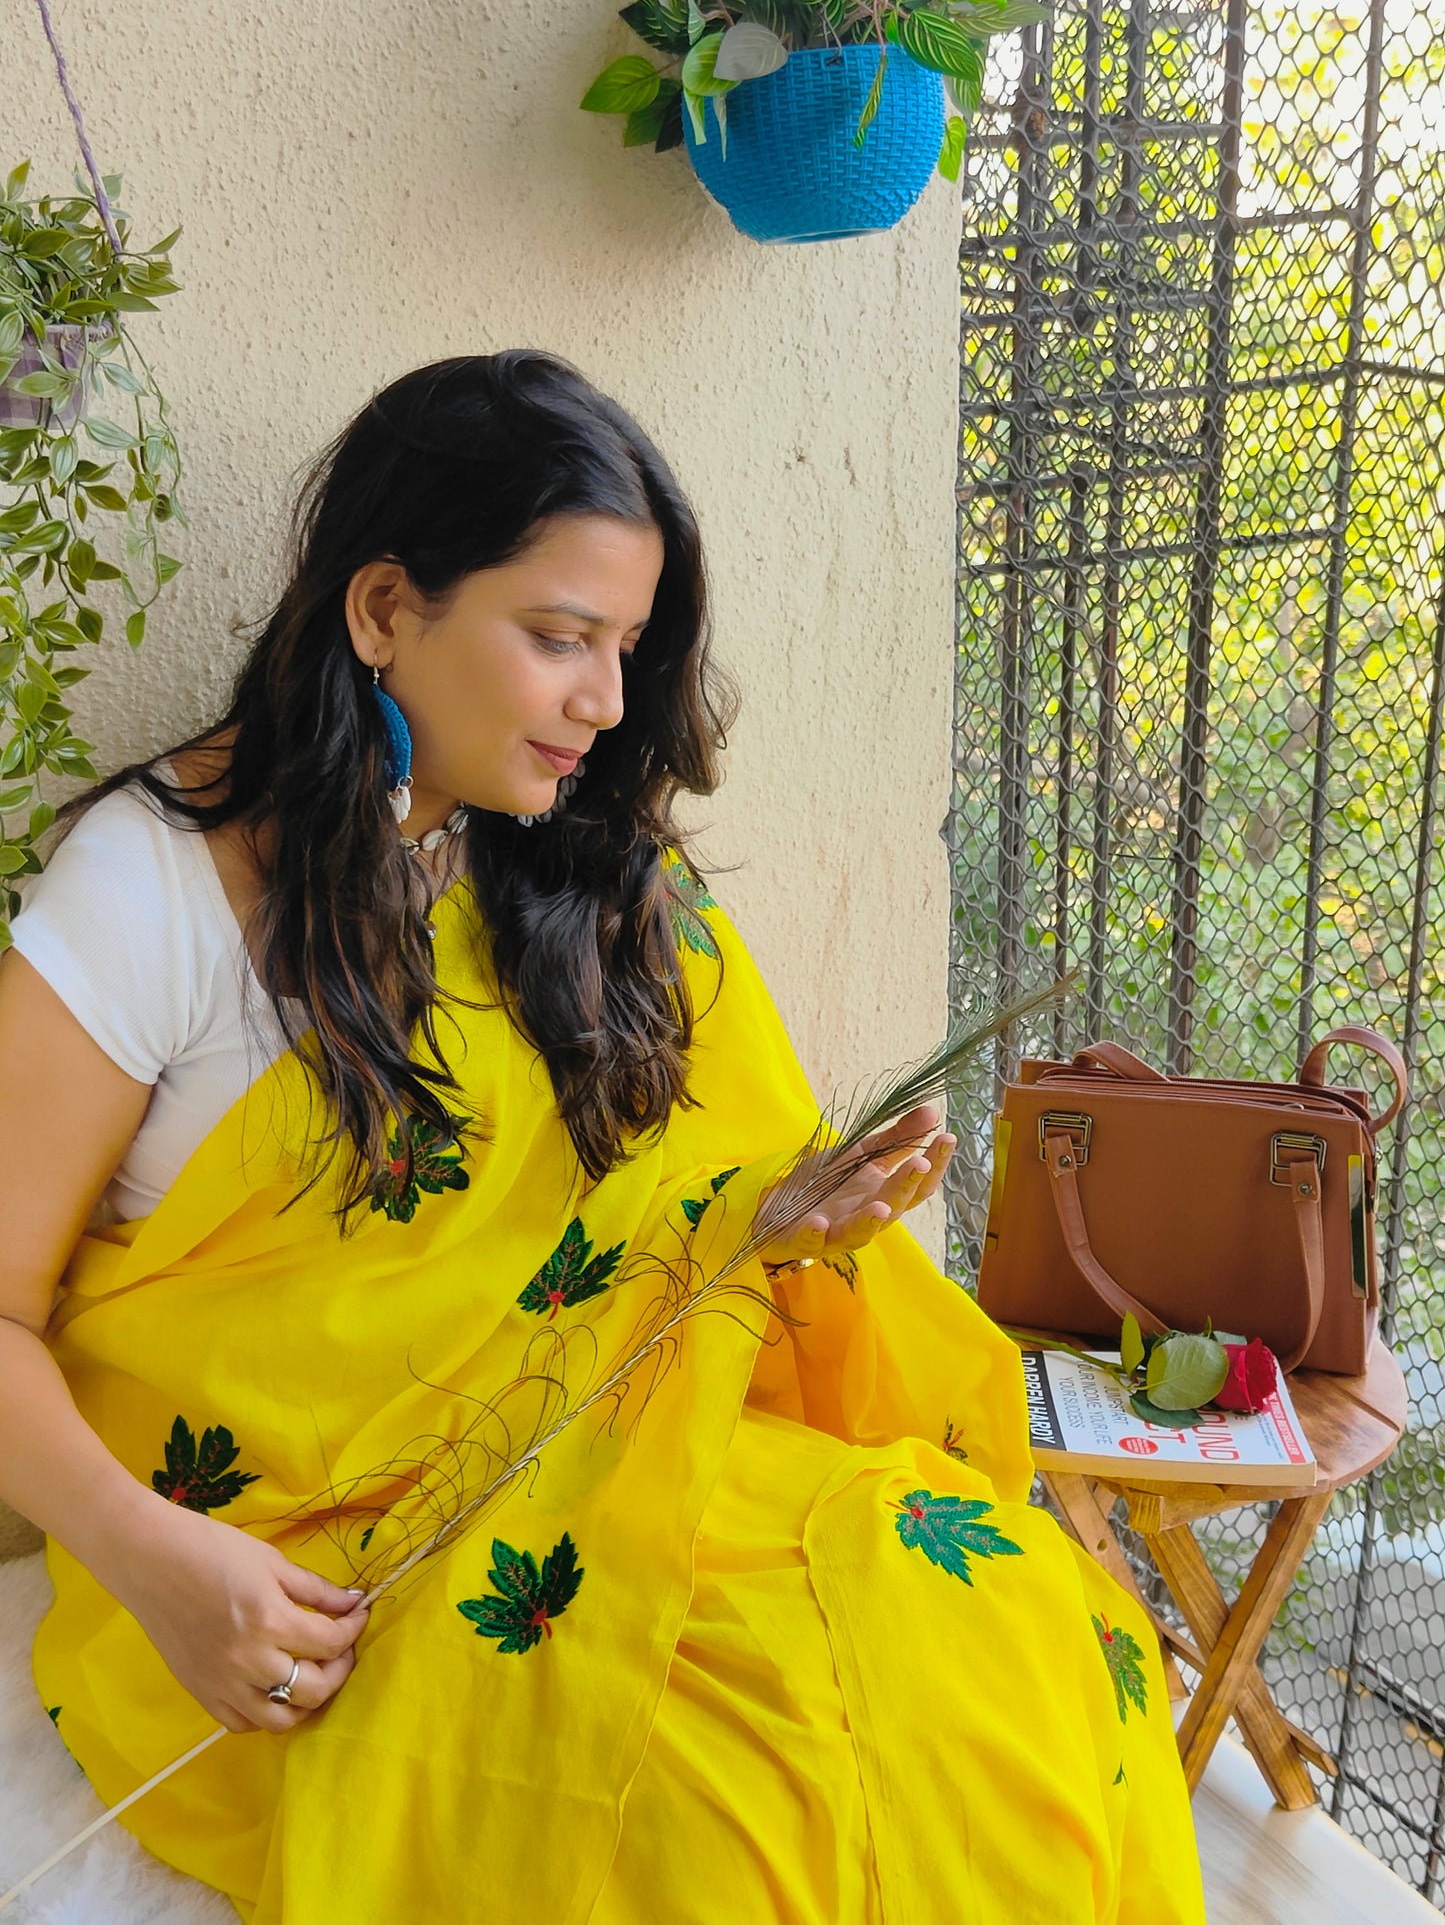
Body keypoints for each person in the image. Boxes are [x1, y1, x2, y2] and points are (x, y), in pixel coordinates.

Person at [0, 351, 1204, 1924]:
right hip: (286, 1576)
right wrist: (157, 1565)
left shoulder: (574, 873)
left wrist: (775, 1229)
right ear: (382, 613)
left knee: (1005, 1638)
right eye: (560, 639)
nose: (607, 703)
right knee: (721, 1828)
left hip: (605, 1471)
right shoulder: (147, 892)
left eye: (627, 647)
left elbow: (613, 1250)